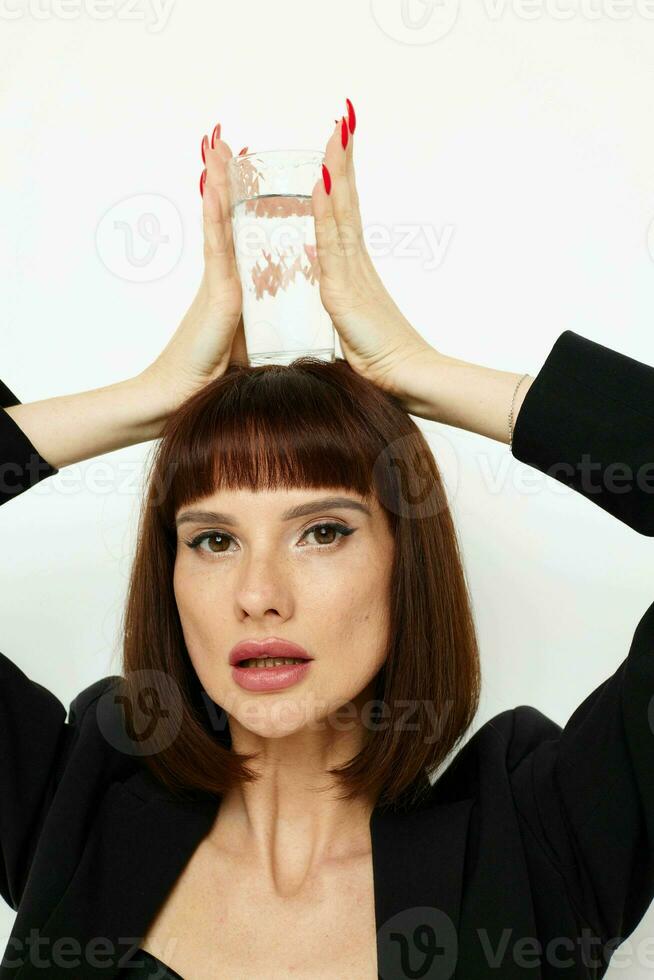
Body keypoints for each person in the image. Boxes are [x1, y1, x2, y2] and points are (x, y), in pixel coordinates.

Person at [1, 101, 653, 979]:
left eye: (322, 531)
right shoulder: (75, 801)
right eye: (213, 541)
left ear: (404, 563)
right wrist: (151, 398)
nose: (259, 593)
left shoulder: (531, 844)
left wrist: (426, 374)